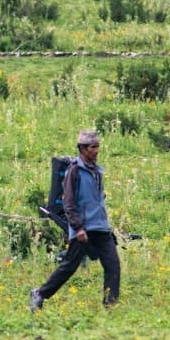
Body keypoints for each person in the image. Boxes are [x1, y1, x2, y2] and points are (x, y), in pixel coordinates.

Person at [30, 130, 120, 312]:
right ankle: (39, 293)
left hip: (101, 228)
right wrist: (77, 228)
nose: (96, 151)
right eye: (93, 147)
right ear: (82, 149)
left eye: (98, 147)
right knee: (69, 267)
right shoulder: (74, 171)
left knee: (113, 266)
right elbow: (68, 202)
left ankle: (110, 306)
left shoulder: (97, 172)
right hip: (83, 229)